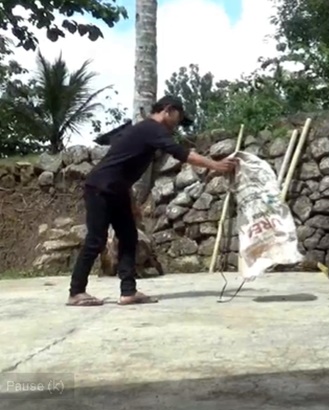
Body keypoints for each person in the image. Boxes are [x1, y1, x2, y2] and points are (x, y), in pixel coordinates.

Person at [66, 95, 239, 307]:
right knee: (96, 240)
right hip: (100, 188)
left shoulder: (146, 131)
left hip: (117, 190)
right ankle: (76, 292)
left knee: (129, 237)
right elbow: (180, 153)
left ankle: (128, 292)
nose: (177, 124)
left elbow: (122, 168)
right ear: (168, 110)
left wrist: (130, 203)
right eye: (178, 117)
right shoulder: (151, 128)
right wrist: (216, 165)